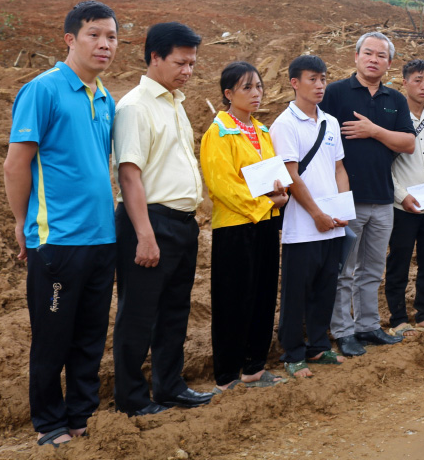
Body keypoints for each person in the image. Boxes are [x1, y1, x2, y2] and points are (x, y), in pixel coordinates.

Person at [3, 1, 119, 447]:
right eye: (93, 35)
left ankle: (81, 416)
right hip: (57, 242)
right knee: (53, 336)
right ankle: (49, 423)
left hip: (101, 237)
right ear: (70, 39)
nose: (104, 44)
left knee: (90, 336)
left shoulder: (105, 96)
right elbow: (16, 165)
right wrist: (21, 222)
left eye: (110, 37)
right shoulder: (43, 90)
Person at [113, 22, 213, 416]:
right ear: (154, 57)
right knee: (138, 314)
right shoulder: (135, 106)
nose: (187, 70)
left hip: (182, 224)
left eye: (192, 63)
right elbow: (129, 175)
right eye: (180, 62)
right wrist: (145, 235)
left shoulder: (175, 102)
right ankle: (131, 399)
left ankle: (169, 386)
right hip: (150, 222)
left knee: (174, 311)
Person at [320, 32, 415, 356]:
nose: (374, 59)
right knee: (343, 271)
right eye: (368, 53)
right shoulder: (335, 93)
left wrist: (373, 131)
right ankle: (343, 331)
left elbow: (408, 143)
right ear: (356, 57)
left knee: (372, 269)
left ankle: (368, 326)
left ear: (389, 63)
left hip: (383, 198)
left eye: (381, 55)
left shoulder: (395, 100)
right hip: (346, 198)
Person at [200, 61, 289, 392]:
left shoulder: (263, 132)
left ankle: (254, 367)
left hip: (265, 224)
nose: (256, 93)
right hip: (235, 227)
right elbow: (222, 186)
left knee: (263, 296)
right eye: (247, 88)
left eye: (259, 87)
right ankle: (226, 375)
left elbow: (272, 176)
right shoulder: (218, 133)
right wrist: (268, 202)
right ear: (228, 94)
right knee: (233, 300)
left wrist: (280, 194)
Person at [271, 55, 350, 378]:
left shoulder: (329, 122)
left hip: (332, 224)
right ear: (294, 83)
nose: (319, 86)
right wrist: (317, 214)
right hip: (302, 226)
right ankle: (292, 352)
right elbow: (291, 175)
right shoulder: (284, 125)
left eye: (323, 79)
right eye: (312, 79)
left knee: (325, 287)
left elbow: (339, 168)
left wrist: (342, 208)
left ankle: (318, 346)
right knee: (296, 292)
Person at [385, 59, 424, 335]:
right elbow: (385, 165)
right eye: (418, 80)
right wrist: (401, 196)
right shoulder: (393, 119)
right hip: (404, 206)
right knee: (399, 262)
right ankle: (398, 318)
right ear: (405, 83)